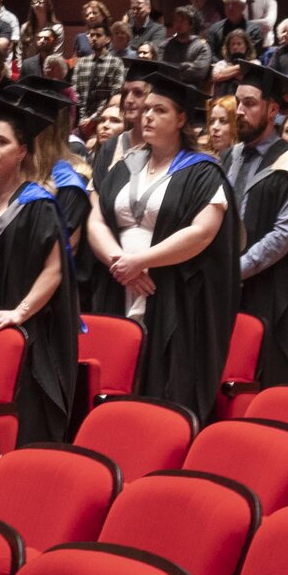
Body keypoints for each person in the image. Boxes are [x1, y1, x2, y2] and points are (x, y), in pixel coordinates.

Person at [91, 66, 228, 415]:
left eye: (160, 110)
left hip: (170, 290)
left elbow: (203, 232)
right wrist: (118, 261)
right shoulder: (126, 164)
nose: (147, 115)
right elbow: (95, 218)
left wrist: (142, 261)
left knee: (160, 384)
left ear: (182, 119)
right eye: (147, 108)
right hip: (118, 281)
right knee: (116, 380)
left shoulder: (201, 170)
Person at [0, 87, 82, 444]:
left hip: (28, 325)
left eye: (1, 142)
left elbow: (54, 271)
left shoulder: (38, 204)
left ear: (21, 151)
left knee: (17, 419)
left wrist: (18, 313)